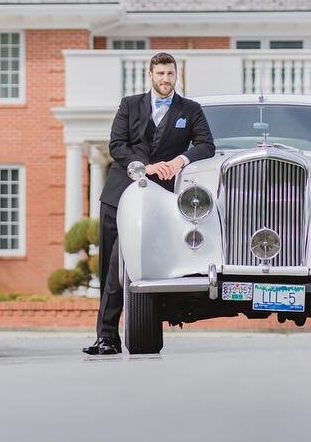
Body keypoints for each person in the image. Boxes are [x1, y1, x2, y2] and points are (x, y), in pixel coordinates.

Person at [84, 51, 215, 355]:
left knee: (129, 261)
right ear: (150, 75)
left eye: (170, 74)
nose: (165, 79)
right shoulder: (129, 105)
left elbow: (207, 144)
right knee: (110, 268)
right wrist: (146, 167)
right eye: (160, 74)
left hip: (160, 201)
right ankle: (107, 337)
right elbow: (117, 145)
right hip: (119, 196)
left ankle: (117, 334)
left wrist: (180, 161)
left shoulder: (190, 109)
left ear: (176, 76)